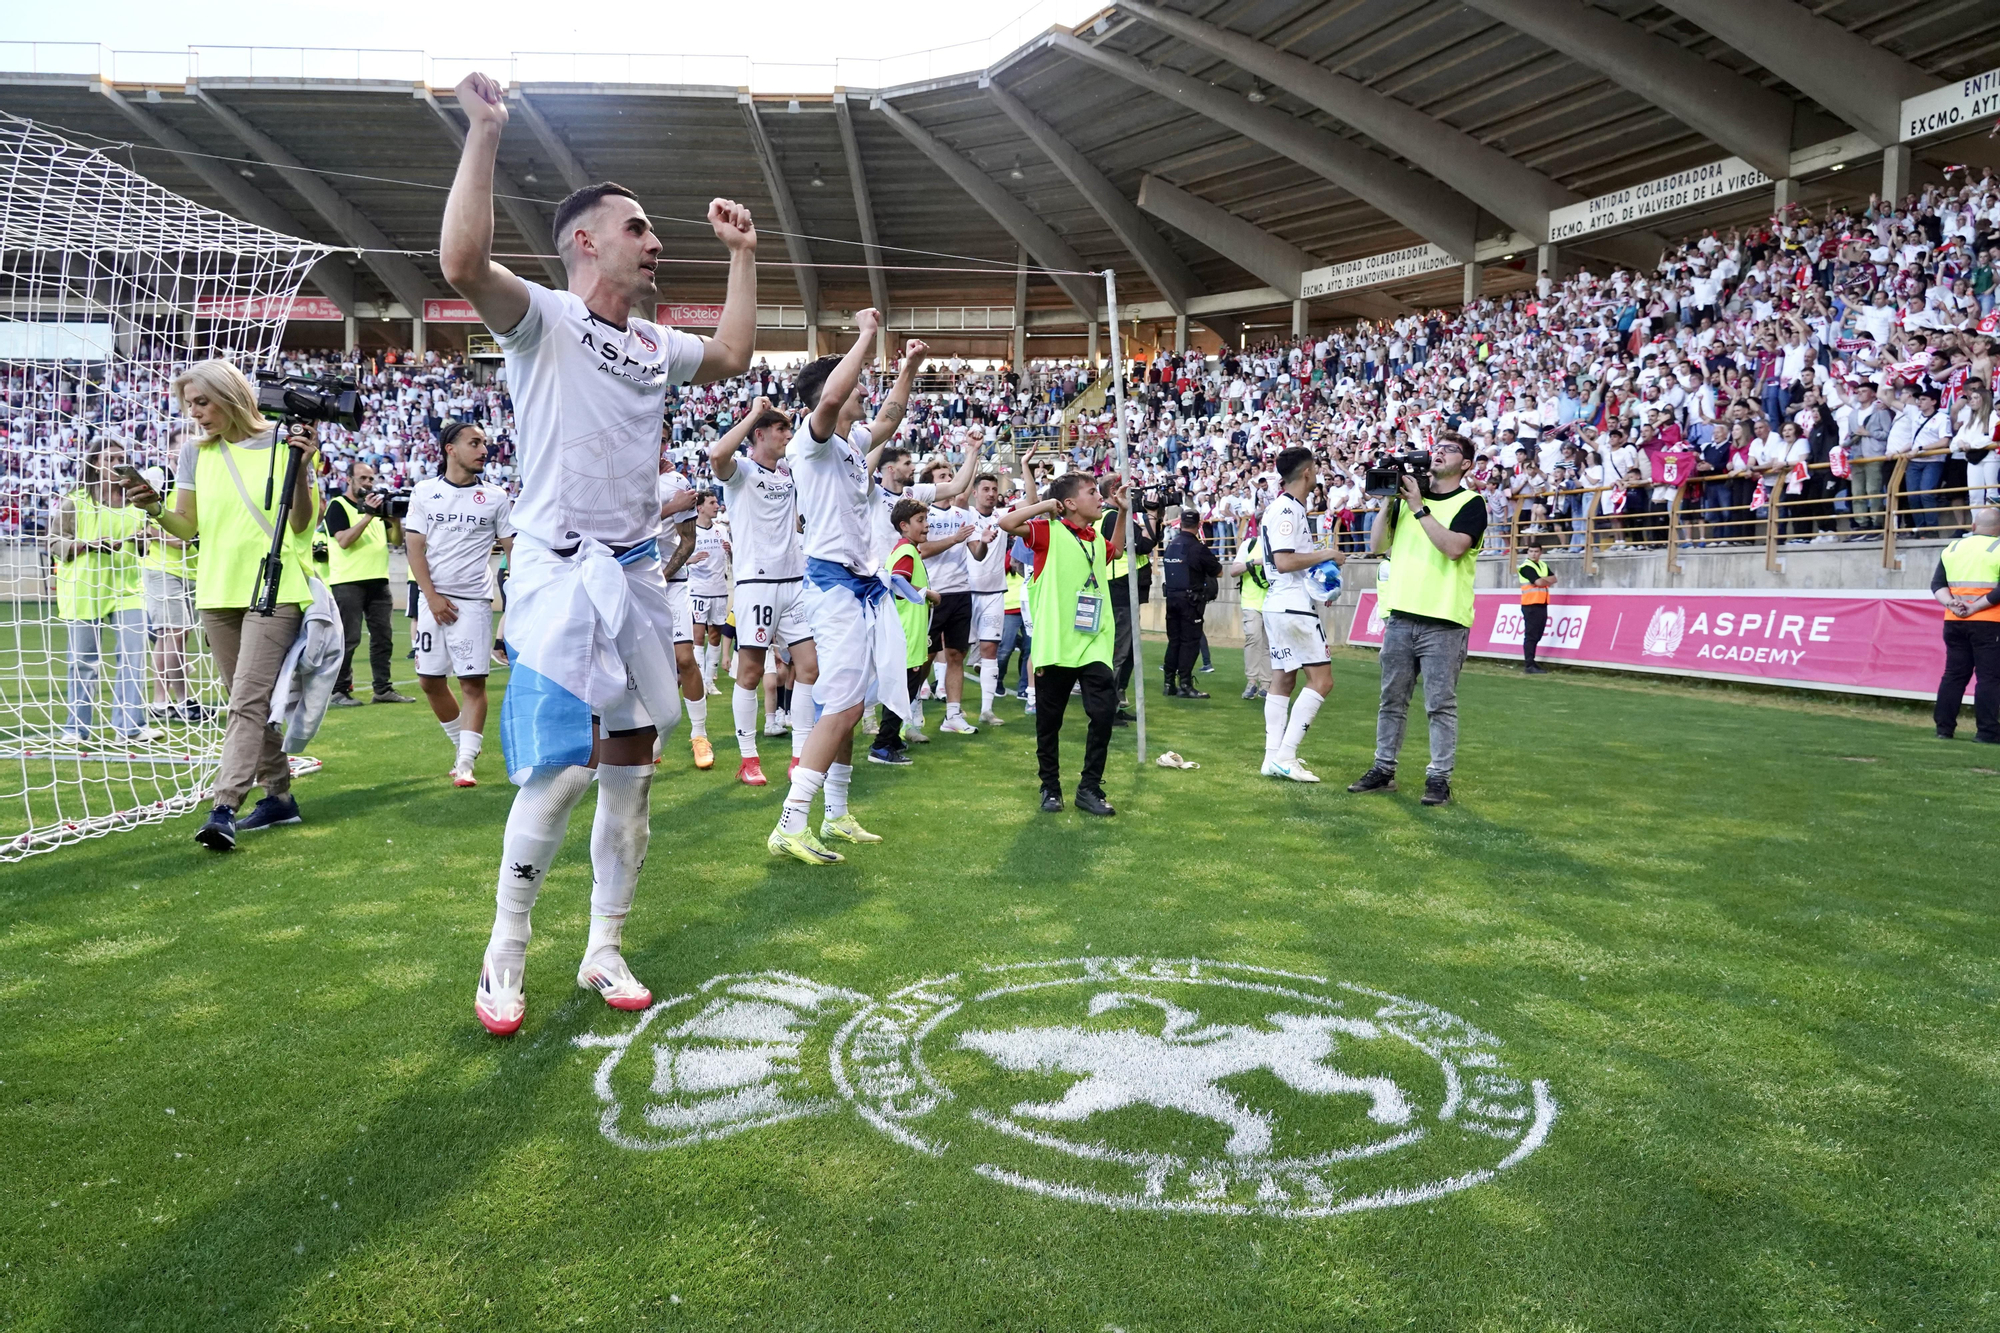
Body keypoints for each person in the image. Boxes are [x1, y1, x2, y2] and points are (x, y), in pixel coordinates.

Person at [440, 70, 757, 1034]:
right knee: (561, 773)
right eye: (638, 227)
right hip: (554, 572)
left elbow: (738, 357)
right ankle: (505, 955)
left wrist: (744, 255)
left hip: (635, 576)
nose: (655, 240)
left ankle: (604, 947)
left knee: (631, 775)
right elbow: (461, 265)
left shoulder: (657, 343)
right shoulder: (544, 319)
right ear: (586, 242)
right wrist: (486, 131)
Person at [118, 359, 323, 850]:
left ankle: (224, 806)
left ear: (230, 396)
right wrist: (153, 507)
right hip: (215, 591)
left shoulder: (284, 441)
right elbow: (187, 529)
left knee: (246, 702)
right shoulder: (193, 453)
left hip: (273, 590)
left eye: (202, 402)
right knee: (247, 701)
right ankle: (279, 797)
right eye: (189, 404)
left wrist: (300, 470)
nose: (195, 413)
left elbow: (299, 526)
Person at [768, 313, 928, 864]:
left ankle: (835, 815)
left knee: (854, 707)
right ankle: (791, 822)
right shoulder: (810, 444)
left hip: (861, 585)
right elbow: (834, 401)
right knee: (839, 706)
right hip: (834, 585)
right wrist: (865, 336)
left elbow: (890, 416)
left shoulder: (851, 444)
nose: (863, 389)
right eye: (854, 380)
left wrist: (908, 367)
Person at [1348, 432, 1486, 807]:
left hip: (1444, 619)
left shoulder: (1471, 503)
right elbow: (1375, 546)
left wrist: (1419, 507)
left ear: (1467, 464)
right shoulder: (1406, 503)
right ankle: (1383, 769)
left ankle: (1438, 779)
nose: (1439, 452)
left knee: (1440, 705)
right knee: (1391, 700)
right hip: (1401, 617)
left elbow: (1455, 548)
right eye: (1437, 447)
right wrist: (1388, 504)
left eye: (1450, 449)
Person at [999, 470, 1127, 817]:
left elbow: (1117, 552)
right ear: (1069, 503)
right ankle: (1050, 787)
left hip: (1094, 644)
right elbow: (1006, 522)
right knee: (1048, 722)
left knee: (1103, 713)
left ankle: (1089, 787)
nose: (1100, 497)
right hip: (1055, 645)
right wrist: (1043, 505)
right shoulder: (1046, 531)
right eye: (1091, 492)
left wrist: (1124, 511)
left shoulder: (1095, 539)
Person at [709, 397, 815, 788]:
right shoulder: (742, 472)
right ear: (760, 434)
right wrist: (754, 411)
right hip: (757, 584)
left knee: (809, 667)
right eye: (781, 429)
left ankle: (800, 756)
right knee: (751, 673)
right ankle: (748, 758)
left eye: (789, 429)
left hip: (794, 582)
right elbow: (718, 453)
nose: (788, 435)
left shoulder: (788, 471)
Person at [404, 420, 514, 787]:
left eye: (485, 443)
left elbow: (511, 547)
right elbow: (414, 547)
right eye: (475, 443)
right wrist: (431, 597)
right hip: (432, 600)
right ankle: (460, 749)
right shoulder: (424, 492)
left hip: (473, 603)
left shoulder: (497, 497)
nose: (484, 450)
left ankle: (466, 762)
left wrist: (519, 594)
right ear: (450, 448)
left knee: (472, 683)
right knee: (429, 681)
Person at [51, 438, 158, 747]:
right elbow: (55, 542)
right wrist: (88, 545)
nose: (115, 462)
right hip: (84, 587)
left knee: (133, 657)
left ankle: (131, 727)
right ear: (94, 463)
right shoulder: (75, 500)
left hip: (128, 588)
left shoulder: (137, 500)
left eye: (120, 457)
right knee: (83, 661)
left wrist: (142, 539)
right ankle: (76, 729)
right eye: (108, 457)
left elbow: (144, 547)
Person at [1258, 446, 1342, 782]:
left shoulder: (1284, 508)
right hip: (1291, 606)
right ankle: (1286, 756)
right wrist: (1327, 554)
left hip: (1280, 603)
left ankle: (1271, 758)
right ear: (1307, 472)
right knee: (1322, 681)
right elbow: (1285, 561)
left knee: (1283, 679)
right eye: (1316, 469)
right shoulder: (1287, 510)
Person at [323, 459, 412, 707]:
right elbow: (343, 541)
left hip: (378, 581)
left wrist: (393, 519)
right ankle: (338, 691)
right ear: (349, 480)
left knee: (383, 638)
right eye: (362, 478)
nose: (368, 483)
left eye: (371, 479)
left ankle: (383, 689)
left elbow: (395, 541)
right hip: (348, 582)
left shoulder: (375, 508)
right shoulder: (337, 506)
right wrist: (368, 517)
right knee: (349, 639)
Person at [869, 499, 940, 765]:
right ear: (904, 525)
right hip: (906, 634)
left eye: (926, 519)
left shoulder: (908, 550)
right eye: (920, 521)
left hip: (910, 633)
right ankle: (881, 746)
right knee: (902, 691)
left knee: (907, 690)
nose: (926, 526)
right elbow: (897, 582)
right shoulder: (906, 553)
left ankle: (892, 740)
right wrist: (927, 593)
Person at [654, 450, 711, 769]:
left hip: (671, 582)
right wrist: (670, 508)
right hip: (633, 582)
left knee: (685, 659)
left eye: (662, 440)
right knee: (638, 668)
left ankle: (700, 736)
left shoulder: (676, 481)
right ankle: (652, 738)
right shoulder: (622, 478)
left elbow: (687, 541)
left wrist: (662, 577)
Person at [136, 456, 200, 724]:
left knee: (171, 638)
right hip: (162, 570)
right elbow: (179, 540)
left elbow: (185, 539)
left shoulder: (187, 490)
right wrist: (164, 536)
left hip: (192, 571)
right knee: (173, 635)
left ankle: (160, 702)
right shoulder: (157, 486)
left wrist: (159, 534)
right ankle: (184, 701)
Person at [1932, 506, 2000, 743]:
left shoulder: (1952, 547)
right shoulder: (1998, 548)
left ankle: (1944, 728)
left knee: (1953, 675)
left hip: (1954, 621)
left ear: (1973, 527)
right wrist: (1976, 606)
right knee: (1989, 678)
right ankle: (1987, 732)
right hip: (1990, 622)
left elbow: (1937, 585)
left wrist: (1952, 604)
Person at [963, 470, 1011, 727]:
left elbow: (1033, 500)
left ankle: (986, 710)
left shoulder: (1002, 517)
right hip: (964, 592)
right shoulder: (965, 515)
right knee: (953, 652)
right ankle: (951, 709)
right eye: (986, 489)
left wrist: (1025, 465)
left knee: (989, 650)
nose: (991, 494)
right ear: (975, 492)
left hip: (994, 593)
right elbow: (977, 553)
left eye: (994, 490)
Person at [1157, 509, 1220, 698]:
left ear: (1180, 523)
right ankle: (1184, 683)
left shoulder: (1171, 545)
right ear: (1199, 525)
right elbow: (1218, 571)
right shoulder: (1198, 548)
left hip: (1172, 600)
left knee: (1174, 642)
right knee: (1190, 643)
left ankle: (1169, 683)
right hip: (1190, 602)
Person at [687, 490, 731, 694]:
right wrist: (690, 560)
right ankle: (700, 682)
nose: (716, 505)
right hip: (697, 589)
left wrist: (731, 551)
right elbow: (676, 559)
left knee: (715, 636)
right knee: (697, 636)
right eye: (712, 502)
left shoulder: (721, 530)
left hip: (719, 589)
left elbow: (731, 556)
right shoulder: (689, 531)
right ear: (700, 507)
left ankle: (709, 680)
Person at [1225, 523, 1271, 701]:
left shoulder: (1278, 546)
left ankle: (1266, 684)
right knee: (1253, 638)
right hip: (1251, 600)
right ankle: (1252, 681)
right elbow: (1234, 570)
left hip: (1273, 602)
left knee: (1269, 643)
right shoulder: (1250, 544)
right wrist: (1253, 563)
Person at [1517, 536, 1556, 674]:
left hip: (1542, 603)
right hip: (1530, 604)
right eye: (1531, 551)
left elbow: (1554, 579)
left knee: (1537, 634)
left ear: (1540, 552)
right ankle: (1529, 664)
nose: (1533, 554)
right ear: (1528, 552)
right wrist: (1545, 580)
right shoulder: (1525, 567)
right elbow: (1539, 582)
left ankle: (1532, 662)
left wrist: (1542, 580)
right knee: (1531, 635)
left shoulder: (1543, 565)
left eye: (1536, 551)